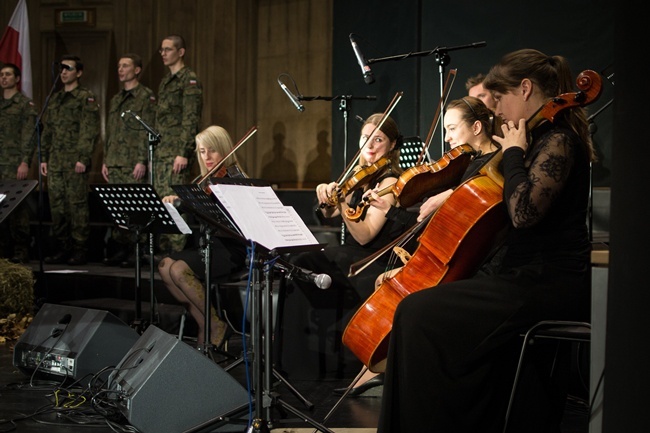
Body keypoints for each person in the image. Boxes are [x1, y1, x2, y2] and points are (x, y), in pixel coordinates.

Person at [377, 48, 594, 433]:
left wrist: (512, 155)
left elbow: (524, 213)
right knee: (415, 310)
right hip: (516, 277)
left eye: (500, 99)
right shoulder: (534, 138)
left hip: (546, 282)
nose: (497, 111)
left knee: (417, 314)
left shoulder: (558, 141)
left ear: (525, 88)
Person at [336, 96, 502, 396]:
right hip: (447, 253)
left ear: (477, 127)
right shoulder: (468, 163)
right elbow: (425, 221)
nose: (447, 138)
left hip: (474, 264)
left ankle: (395, 379)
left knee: (400, 295)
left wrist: (450, 193)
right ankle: (379, 373)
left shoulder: (493, 167)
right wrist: (394, 210)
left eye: (452, 129)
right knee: (383, 280)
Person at [274, 113, 413, 381]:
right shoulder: (360, 177)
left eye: (378, 139)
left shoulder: (390, 181)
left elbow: (365, 235)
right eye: (365, 139)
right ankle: (292, 362)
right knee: (298, 264)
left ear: (393, 145)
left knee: (308, 264)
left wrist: (343, 203)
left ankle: (313, 364)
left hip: (373, 261)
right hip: (350, 257)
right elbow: (328, 215)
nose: (370, 146)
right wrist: (325, 197)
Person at [158, 125, 247, 349]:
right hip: (207, 246)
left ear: (225, 150)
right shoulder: (203, 181)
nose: (206, 157)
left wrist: (190, 203)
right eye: (201, 151)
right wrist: (176, 201)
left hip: (231, 250)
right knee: (165, 265)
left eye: (212, 150)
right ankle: (206, 322)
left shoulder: (236, 180)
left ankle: (215, 325)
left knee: (178, 269)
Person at [41, 55, 100, 266]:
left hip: (75, 161)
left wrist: (83, 157)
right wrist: (44, 157)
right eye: (61, 68)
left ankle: (80, 249)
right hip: (56, 161)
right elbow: (48, 130)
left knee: (77, 207)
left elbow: (89, 130)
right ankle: (62, 248)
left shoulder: (85, 97)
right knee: (57, 207)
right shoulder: (55, 98)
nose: (63, 72)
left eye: (68, 68)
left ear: (79, 73)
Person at [102, 53, 157, 267]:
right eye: (118, 66)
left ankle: (138, 250)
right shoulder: (116, 99)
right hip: (115, 160)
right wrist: (106, 160)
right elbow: (111, 132)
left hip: (133, 162)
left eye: (125, 66)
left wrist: (142, 160)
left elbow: (148, 129)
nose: (120, 69)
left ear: (137, 70)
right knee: (117, 207)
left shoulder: (145, 96)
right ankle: (122, 249)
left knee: (135, 208)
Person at [153, 35, 203, 255]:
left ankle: (176, 251)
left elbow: (190, 118)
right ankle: (164, 250)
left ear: (180, 52)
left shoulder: (189, 79)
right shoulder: (165, 81)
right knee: (161, 200)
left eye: (168, 49)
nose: (163, 53)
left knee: (174, 201)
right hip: (162, 151)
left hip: (176, 152)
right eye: (161, 50)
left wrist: (183, 152)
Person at [0, 63, 38, 264]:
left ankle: (21, 248)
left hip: (14, 163)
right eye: (1, 75)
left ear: (17, 79)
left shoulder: (24, 104)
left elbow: (29, 135)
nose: (4, 78)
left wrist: (25, 161)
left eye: (8, 75)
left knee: (17, 208)